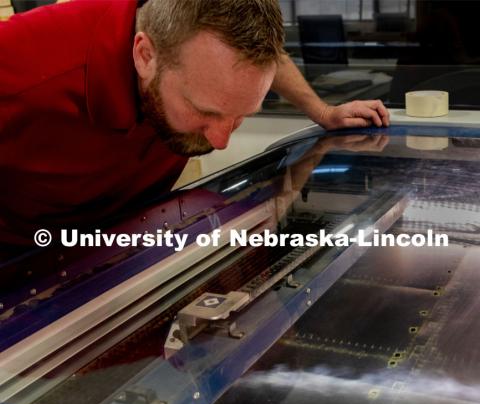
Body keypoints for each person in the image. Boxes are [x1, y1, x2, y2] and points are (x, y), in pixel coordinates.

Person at [0, 0, 389, 242]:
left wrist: (321, 111)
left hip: (114, 244)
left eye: (239, 118)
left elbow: (256, 61)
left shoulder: (201, 43)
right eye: (206, 112)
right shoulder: (24, 67)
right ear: (145, 56)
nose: (220, 141)